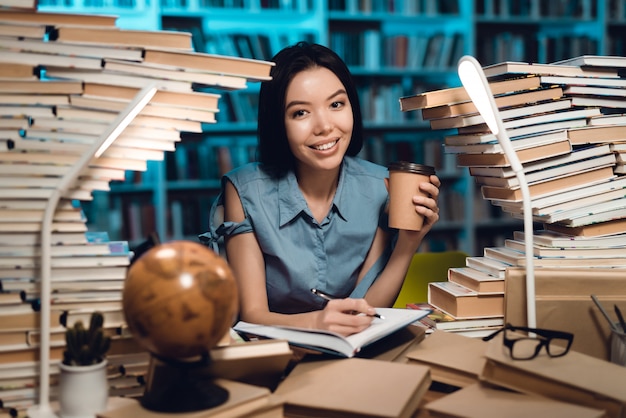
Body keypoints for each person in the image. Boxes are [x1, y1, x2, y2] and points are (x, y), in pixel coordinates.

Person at [200, 42, 440, 336]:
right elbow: (252, 315)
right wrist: (317, 322)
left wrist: (408, 243)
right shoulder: (245, 191)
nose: (325, 126)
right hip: (273, 356)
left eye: (336, 104)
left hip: (352, 357)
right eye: (300, 113)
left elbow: (364, 311)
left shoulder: (382, 187)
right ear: (279, 124)